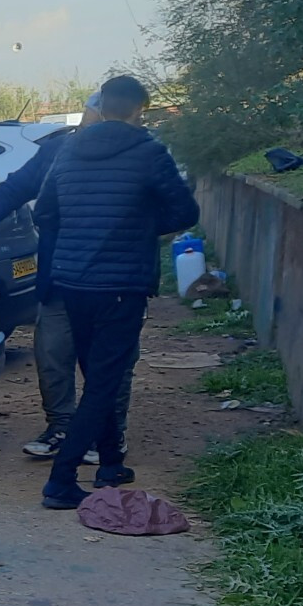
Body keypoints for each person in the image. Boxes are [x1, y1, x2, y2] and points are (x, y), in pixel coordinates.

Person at [30, 74, 198, 509]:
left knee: (96, 374)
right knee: (105, 382)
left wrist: (82, 233)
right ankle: (61, 481)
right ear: (140, 109)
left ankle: (109, 464)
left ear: (101, 106)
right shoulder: (148, 151)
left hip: (71, 282)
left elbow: (45, 211)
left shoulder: (68, 150)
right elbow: (184, 210)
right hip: (122, 284)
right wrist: (138, 229)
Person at [0, 93, 138, 465]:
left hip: (115, 283)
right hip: (60, 281)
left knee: (110, 362)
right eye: (92, 110)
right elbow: (17, 186)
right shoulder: (57, 151)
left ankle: (107, 436)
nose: (93, 119)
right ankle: (62, 427)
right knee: (52, 355)